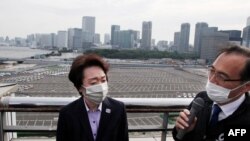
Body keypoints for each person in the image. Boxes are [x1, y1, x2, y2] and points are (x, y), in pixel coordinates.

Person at [172, 45, 250, 141]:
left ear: (246, 86)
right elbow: (181, 137)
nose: (212, 80)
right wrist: (182, 131)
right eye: (212, 71)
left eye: (222, 77)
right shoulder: (201, 99)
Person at [56, 54, 129, 141]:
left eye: (103, 80)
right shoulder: (67, 113)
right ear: (79, 87)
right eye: (93, 82)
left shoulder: (118, 109)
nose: (101, 86)